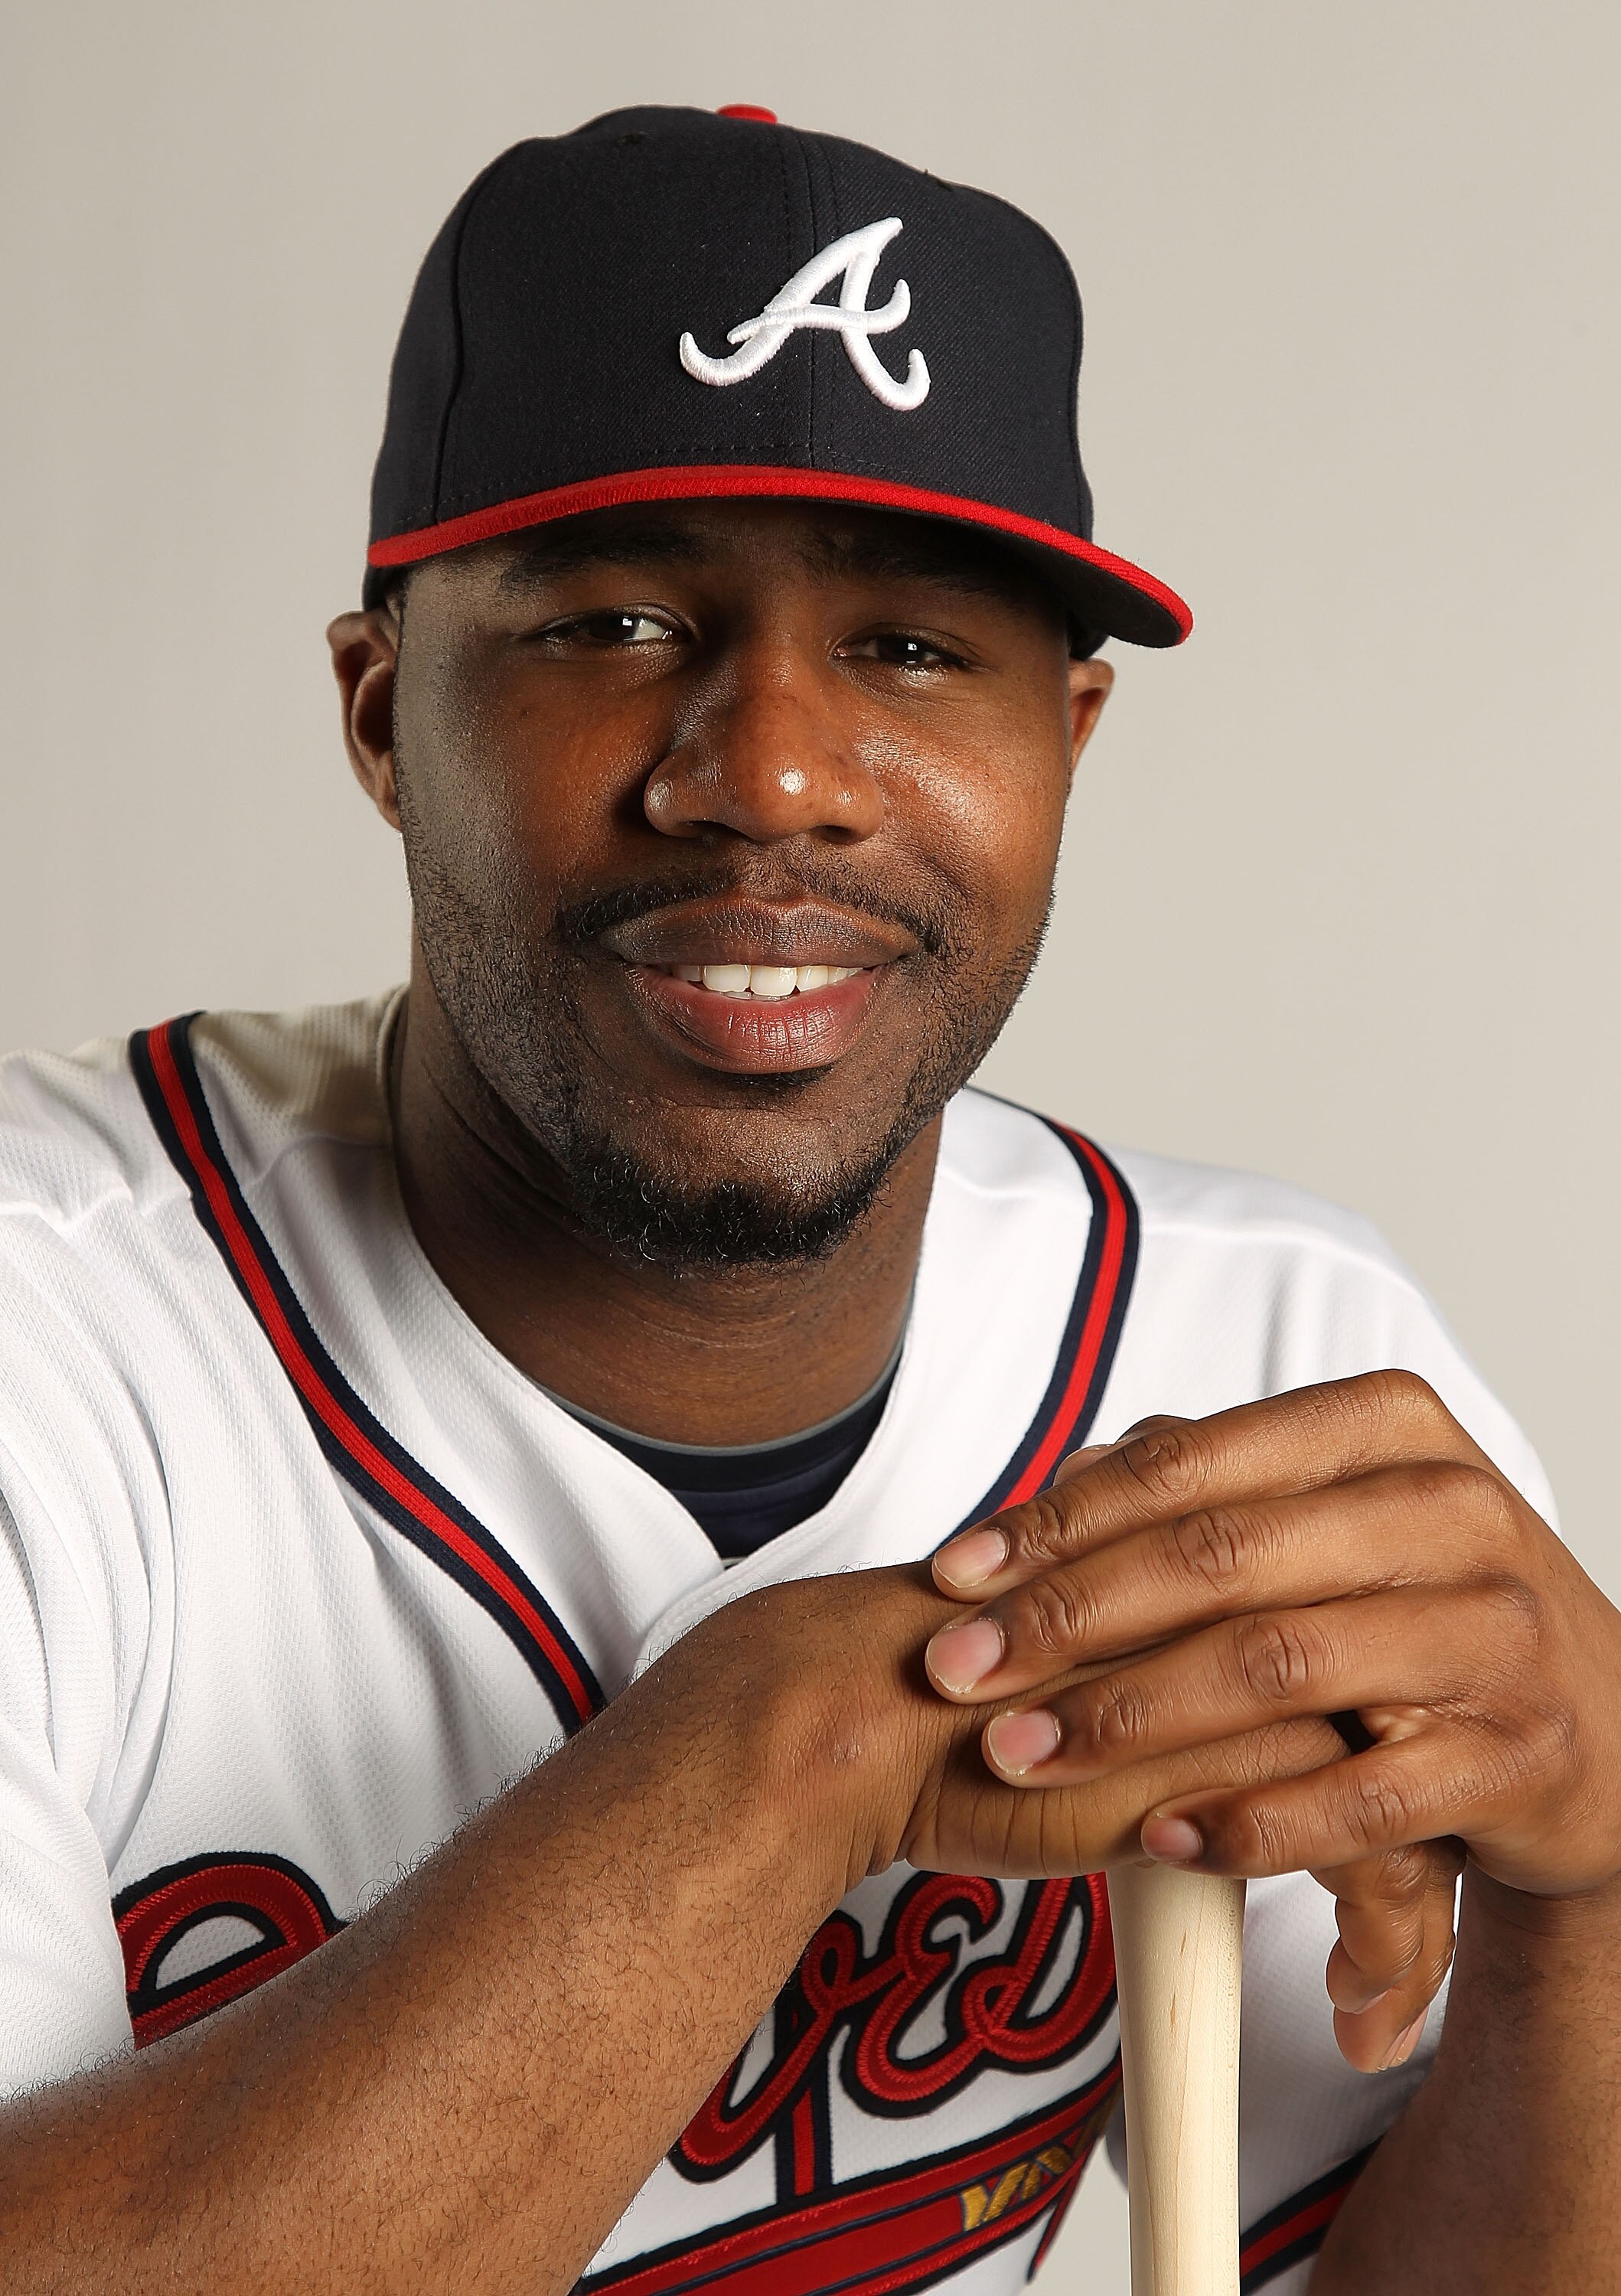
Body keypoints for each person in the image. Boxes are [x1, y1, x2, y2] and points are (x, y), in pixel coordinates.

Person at [0, 103, 1615, 2296]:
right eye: (617, 621)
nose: (768, 775)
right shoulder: (61, 1351)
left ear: (1071, 740)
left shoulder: (1265, 1366)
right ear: (384, 718)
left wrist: (1592, 1910)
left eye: (915, 649)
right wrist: (807, 1743)